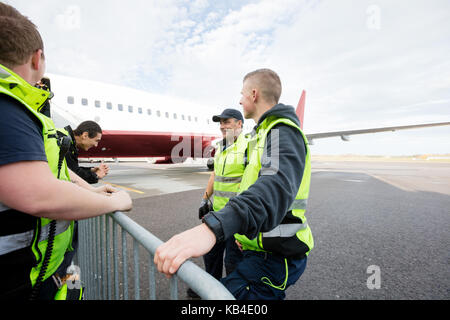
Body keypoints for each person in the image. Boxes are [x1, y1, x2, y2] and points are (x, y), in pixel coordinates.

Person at [0, 3, 132, 300]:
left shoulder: (25, 112)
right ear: (38, 59)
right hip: (22, 278)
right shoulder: (8, 106)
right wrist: (116, 202)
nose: (95, 147)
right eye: (94, 142)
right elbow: (40, 194)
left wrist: (94, 192)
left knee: (72, 282)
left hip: (49, 264)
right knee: (71, 281)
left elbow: (59, 172)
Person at [154, 68, 313, 300]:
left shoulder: (281, 131)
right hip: (255, 247)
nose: (240, 99)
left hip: (277, 254)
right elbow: (247, 186)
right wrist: (241, 236)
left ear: (254, 94)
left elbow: (273, 190)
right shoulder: (262, 135)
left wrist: (214, 228)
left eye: (242, 94)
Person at [188, 108, 245, 298]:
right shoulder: (221, 147)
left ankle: (231, 295)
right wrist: (205, 198)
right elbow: (215, 174)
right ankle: (209, 290)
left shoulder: (250, 147)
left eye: (227, 122)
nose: (222, 126)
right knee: (211, 255)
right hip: (218, 213)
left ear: (239, 124)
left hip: (236, 217)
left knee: (232, 261)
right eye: (220, 123)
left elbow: (252, 182)